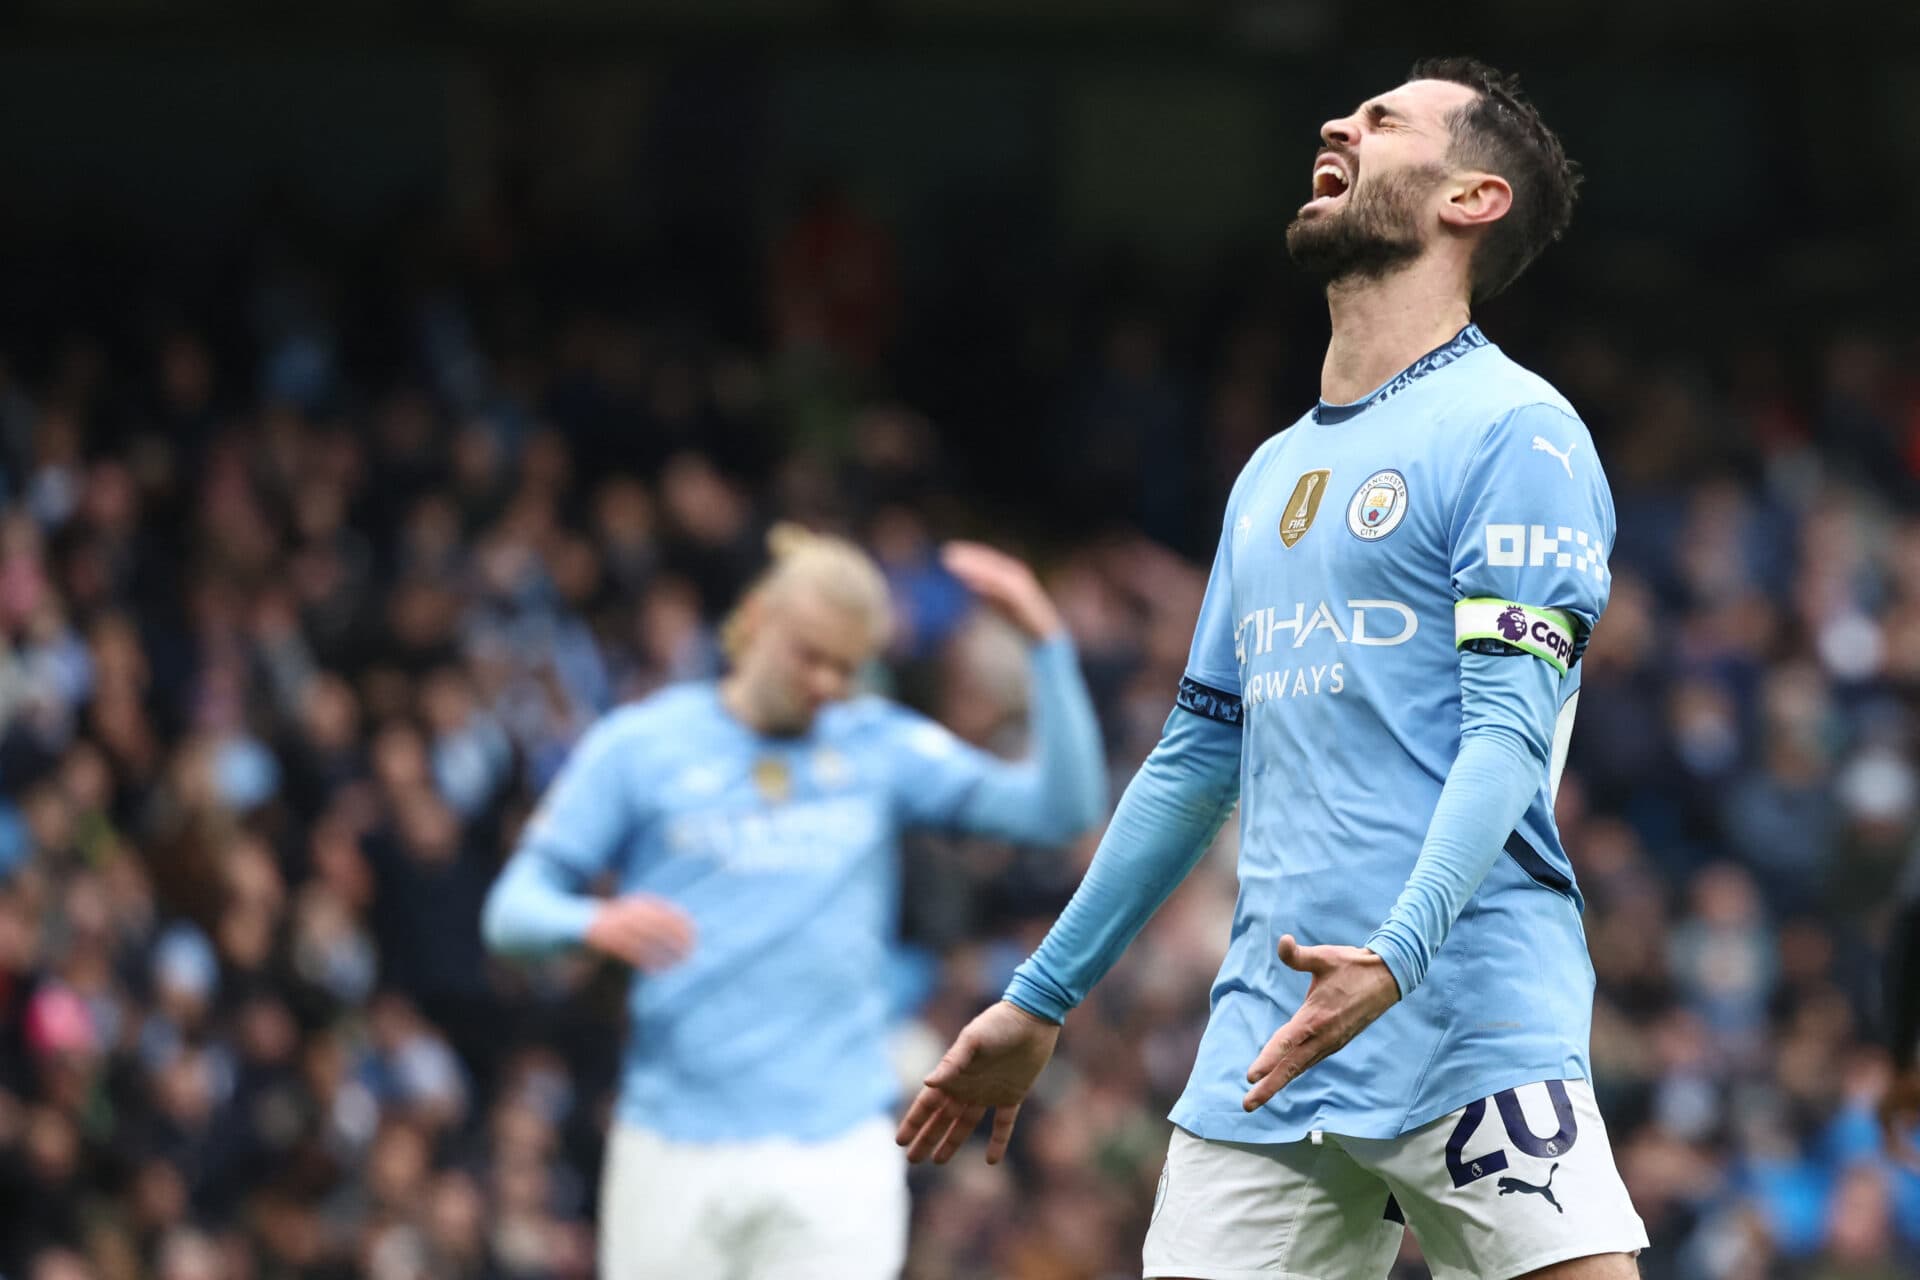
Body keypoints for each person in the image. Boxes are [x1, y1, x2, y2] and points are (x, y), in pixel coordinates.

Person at [899, 58, 1650, 1280]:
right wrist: (1039, 997)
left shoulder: (1518, 431)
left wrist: (1398, 955)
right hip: (1272, 1035)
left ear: (1472, 199)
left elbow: (1508, 738)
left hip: (1466, 1006)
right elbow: (1196, 761)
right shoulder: (1268, 475)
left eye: (1384, 121)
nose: (1337, 125)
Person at [481, 524, 1105, 1279]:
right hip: (673, 1145)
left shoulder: (877, 745)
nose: (827, 686)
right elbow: (512, 911)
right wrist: (589, 922)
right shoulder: (641, 747)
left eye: (847, 667)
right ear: (754, 623)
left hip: (836, 1150)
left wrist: (1045, 640)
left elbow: (1061, 810)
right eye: (810, 656)